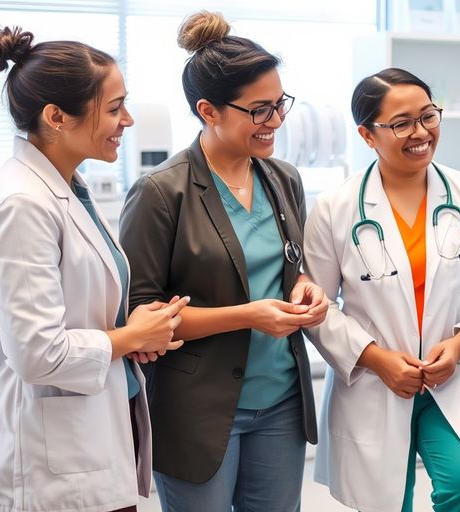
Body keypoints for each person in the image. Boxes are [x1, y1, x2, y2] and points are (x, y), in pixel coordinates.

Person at [0, 26, 187, 512]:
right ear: (56, 117)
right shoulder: (22, 204)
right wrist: (129, 337)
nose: (127, 120)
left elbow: (75, 313)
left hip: (85, 441)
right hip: (46, 467)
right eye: (113, 108)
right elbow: (36, 353)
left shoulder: (68, 187)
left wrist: (135, 333)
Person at [118, 11, 325, 511]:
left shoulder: (283, 179)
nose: (274, 121)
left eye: (279, 105)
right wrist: (250, 315)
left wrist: (306, 287)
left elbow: (289, 267)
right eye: (258, 110)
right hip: (198, 411)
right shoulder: (160, 192)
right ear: (208, 110)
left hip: (280, 402)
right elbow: (141, 317)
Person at [302, 67, 460, 512]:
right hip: (375, 381)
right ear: (367, 135)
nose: (420, 132)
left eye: (428, 116)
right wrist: (376, 359)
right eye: (401, 123)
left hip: (452, 377)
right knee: (386, 501)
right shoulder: (334, 209)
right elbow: (317, 306)